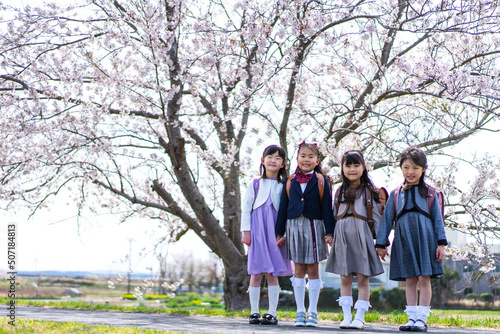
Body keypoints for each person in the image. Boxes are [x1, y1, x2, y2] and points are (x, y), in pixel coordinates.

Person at [375, 147, 447, 332]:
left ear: (424, 168)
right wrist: (381, 244)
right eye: (406, 167)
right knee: (409, 280)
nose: (410, 172)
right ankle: (411, 318)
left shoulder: (431, 193)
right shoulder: (396, 194)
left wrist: (441, 244)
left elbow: (438, 221)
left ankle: (422, 319)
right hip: (403, 239)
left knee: (424, 279)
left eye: (415, 167)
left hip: (426, 239)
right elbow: (387, 221)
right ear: (401, 168)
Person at [275, 142, 335, 328]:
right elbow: (283, 208)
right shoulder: (290, 180)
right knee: (298, 269)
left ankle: (313, 312)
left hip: (314, 225)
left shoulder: (321, 180)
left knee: (313, 269)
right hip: (293, 226)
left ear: (317, 161)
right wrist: (279, 232)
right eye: (303, 155)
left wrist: (329, 231)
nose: (306, 159)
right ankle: (300, 311)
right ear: (297, 158)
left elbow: (327, 207)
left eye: (310, 156)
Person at [325, 150, 385, 329]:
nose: (352, 169)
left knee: (362, 278)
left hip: (362, 236)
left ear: (364, 167)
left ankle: (359, 317)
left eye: (356, 165)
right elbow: (334, 216)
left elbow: (377, 218)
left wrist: (381, 244)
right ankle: (346, 316)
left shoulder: (370, 192)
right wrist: (331, 234)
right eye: (348, 165)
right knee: (345, 278)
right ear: (342, 168)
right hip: (342, 236)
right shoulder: (339, 191)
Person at [241, 145, 293, 325]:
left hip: (275, 232)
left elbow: (287, 212)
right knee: (256, 272)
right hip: (257, 231)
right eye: (270, 156)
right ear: (262, 160)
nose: (273, 160)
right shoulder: (255, 183)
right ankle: (254, 312)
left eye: (278, 158)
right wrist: (246, 232)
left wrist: (284, 233)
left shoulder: (285, 184)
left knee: (272, 273)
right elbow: (247, 208)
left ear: (283, 164)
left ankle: (272, 313)